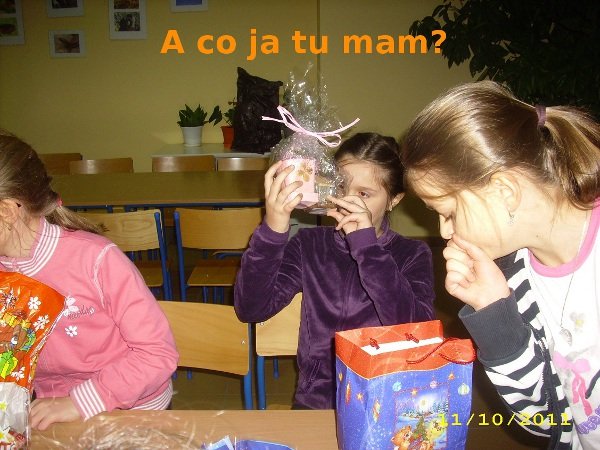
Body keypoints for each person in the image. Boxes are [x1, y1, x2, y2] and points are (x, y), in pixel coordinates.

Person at [401, 80, 600, 449]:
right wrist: (494, 312)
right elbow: (546, 422)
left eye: (448, 213)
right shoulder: (514, 277)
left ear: (505, 191)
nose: (444, 231)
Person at [234, 132, 436, 409]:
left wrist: (367, 249)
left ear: (394, 200)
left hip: (386, 399)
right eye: (341, 187)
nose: (346, 201)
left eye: (364, 194)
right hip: (316, 400)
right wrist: (273, 228)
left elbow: (417, 333)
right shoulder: (309, 244)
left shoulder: (412, 254)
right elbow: (251, 308)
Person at [0, 131, 178, 430]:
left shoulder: (95, 259)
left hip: (130, 407)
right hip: (51, 409)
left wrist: (79, 402)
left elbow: (157, 354)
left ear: (6, 211)